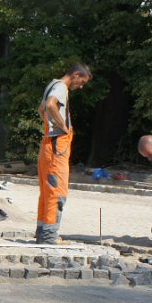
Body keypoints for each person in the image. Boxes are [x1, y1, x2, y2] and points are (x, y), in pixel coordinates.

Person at [35, 63, 92, 244]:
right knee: (57, 191)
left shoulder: (52, 85)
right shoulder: (60, 87)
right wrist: (63, 127)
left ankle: (43, 232)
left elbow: (41, 108)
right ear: (75, 75)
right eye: (81, 81)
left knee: (47, 191)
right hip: (56, 146)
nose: (81, 86)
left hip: (48, 144)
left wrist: (51, 125)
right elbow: (51, 105)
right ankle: (50, 236)